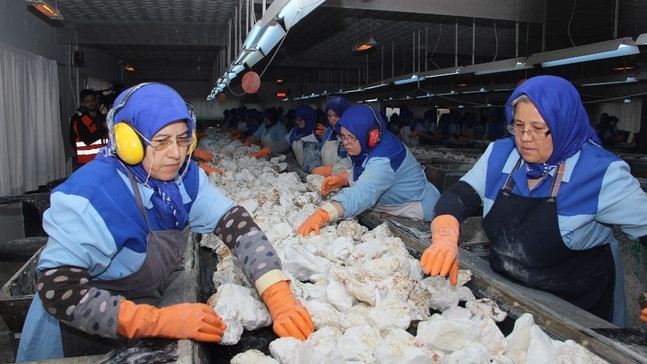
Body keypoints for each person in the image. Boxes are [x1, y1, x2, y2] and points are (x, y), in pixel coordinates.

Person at [16, 82, 314, 361]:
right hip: (73, 338)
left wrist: (278, 295)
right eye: (161, 142)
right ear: (128, 142)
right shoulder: (93, 196)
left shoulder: (183, 180)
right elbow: (58, 291)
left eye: (184, 139)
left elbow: (237, 224)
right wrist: (156, 321)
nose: (175, 153)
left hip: (134, 330)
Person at [420, 75, 647, 328]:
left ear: (564, 124)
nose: (525, 137)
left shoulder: (601, 173)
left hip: (577, 308)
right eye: (518, 125)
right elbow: (459, 195)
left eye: (538, 128)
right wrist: (445, 237)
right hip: (511, 295)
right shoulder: (500, 154)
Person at [296, 105, 441, 236]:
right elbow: (366, 165)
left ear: (371, 135)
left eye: (352, 137)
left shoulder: (384, 158)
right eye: (344, 137)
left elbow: (364, 192)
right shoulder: (372, 143)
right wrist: (344, 177)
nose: (346, 143)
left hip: (418, 213)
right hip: (394, 207)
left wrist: (323, 214)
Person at [251, 104, 324, 173]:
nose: (297, 122)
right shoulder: (295, 131)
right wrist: (258, 154)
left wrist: (324, 137)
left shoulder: (319, 130)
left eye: (300, 120)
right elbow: (279, 145)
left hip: (320, 172)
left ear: (308, 118)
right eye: (296, 119)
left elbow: (331, 148)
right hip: (302, 169)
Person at [311, 95, 352, 177]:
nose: (332, 119)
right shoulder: (328, 133)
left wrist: (330, 170)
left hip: (345, 181)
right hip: (327, 180)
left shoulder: (352, 135)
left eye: (336, 116)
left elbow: (352, 164)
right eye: (329, 116)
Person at [69, 89, 108, 166]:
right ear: (83, 104)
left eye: (92, 100)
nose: (91, 103)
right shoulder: (79, 119)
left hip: (103, 160)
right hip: (86, 162)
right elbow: (87, 139)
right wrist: (104, 128)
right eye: (87, 101)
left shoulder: (101, 117)